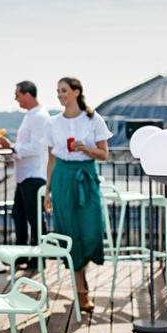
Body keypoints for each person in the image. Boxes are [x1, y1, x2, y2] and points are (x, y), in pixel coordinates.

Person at [44, 77, 112, 313]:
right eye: (58, 91)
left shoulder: (94, 119)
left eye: (63, 91)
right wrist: (48, 191)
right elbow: (51, 159)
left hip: (86, 175)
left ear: (76, 92)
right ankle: (81, 289)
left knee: (92, 231)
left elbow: (104, 154)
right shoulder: (53, 123)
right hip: (62, 177)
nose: (60, 95)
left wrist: (86, 148)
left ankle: (83, 281)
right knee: (70, 233)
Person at [0, 81, 50, 252]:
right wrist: (11, 148)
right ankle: (22, 253)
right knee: (19, 215)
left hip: (34, 176)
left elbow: (38, 146)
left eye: (17, 95)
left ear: (27, 95)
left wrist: (11, 147)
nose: (15, 99)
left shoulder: (40, 117)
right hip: (25, 175)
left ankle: (37, 256)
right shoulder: (32, 115)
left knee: (34, 219)